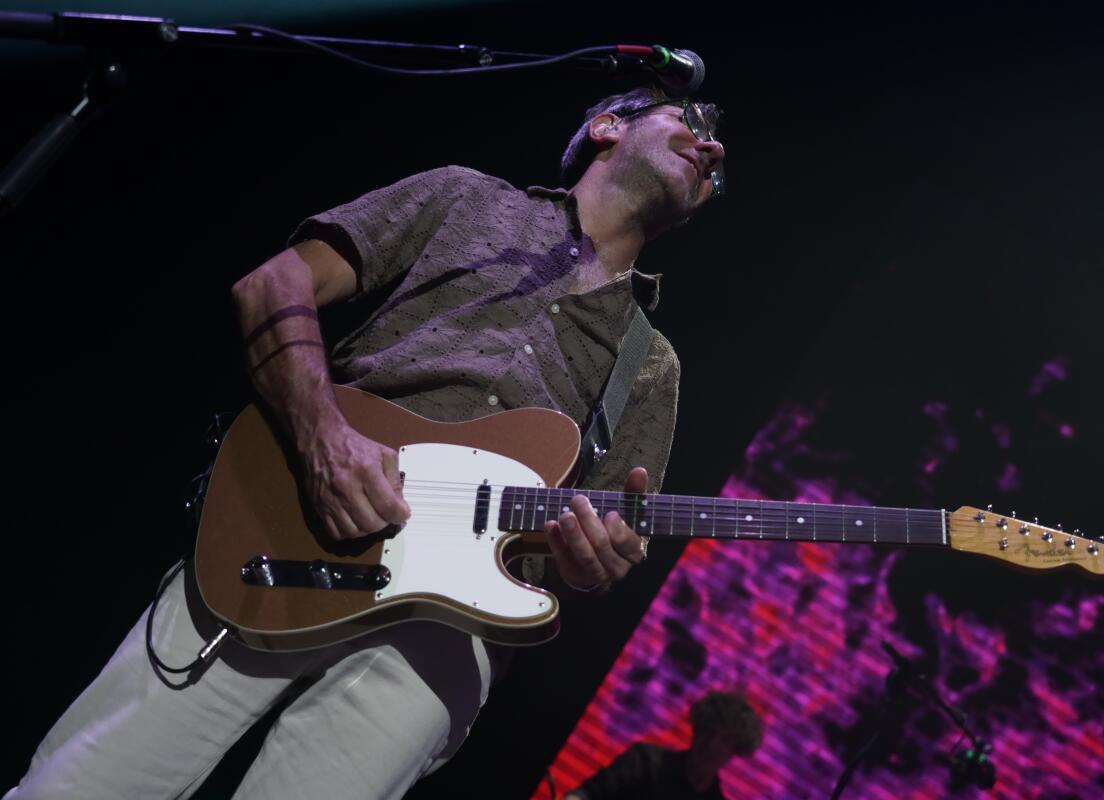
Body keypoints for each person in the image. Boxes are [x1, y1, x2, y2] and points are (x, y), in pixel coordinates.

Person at [5, 83, 725, 800]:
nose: (712, 150)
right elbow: (271, 286)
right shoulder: (463, 198)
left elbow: (592, 553)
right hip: (285, 531)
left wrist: (595, 564)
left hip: (450, 630)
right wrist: (324, 443)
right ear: (605, 126)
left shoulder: (652, 365)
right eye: (691, 121)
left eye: (718, 163)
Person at [565, 690, 764, 800]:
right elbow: (587, 794)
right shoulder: (644, 761)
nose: (711, 744)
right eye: (709, 731)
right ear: (696, 729)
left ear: (735, 750)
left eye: (724, 739)